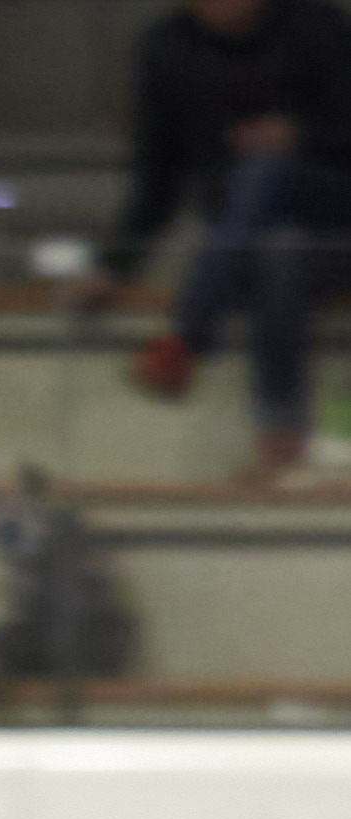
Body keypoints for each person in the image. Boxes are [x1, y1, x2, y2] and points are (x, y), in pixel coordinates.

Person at [79, 0, 351, 488]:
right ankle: (282, 440)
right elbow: (157, 177)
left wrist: (299, 137)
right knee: (280, 247)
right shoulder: (167, 47)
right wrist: (115, 266)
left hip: (334, 215)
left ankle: (186, 337)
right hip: (248, 239)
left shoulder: (317, 25)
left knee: (263, 171)